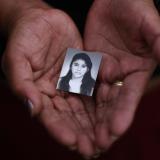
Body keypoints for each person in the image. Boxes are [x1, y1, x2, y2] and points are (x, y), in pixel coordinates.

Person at [1, 0, 160, 159]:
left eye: (83, 67)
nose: (78, 69)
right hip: (32, 84)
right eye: (75, 64)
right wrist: (18, 9)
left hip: (140, 84)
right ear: (70, 67)